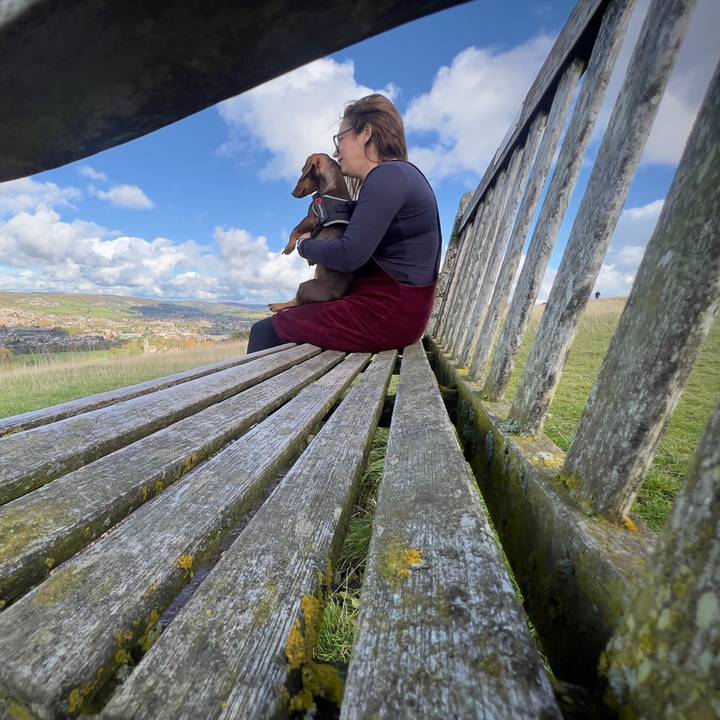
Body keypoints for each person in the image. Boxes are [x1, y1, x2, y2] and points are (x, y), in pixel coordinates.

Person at [246, 93, 442, 354]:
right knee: (292, 319)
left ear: (366, 133)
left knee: (265, 331)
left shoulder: (387, 177)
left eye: (341, 138)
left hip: (385, 316)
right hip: (395, 313)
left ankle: (253, 385)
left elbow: (349, 255)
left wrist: (304, 246)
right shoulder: (398, 176)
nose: (337, 152)